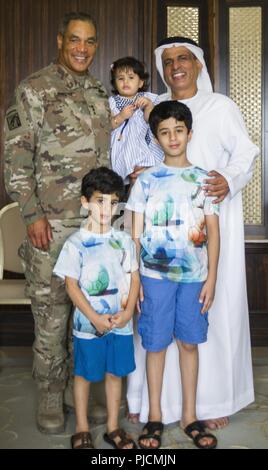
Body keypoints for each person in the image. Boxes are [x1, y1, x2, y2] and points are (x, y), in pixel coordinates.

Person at [127, 36, 259, 430]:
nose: (176, 66)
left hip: (210, 227)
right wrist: (140, 173)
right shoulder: (155, 109)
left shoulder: (221, 107)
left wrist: (229, 180)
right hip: (161, 239)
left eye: (184, 58)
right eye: (168, 62)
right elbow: (144, 157)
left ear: (199, 65)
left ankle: (212, 400)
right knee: (154, 321)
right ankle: (150, 403)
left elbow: (246, 154)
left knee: (206, 315)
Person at [4, 11, 110, 434]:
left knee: (89, 312)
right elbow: (16, 158)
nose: (82, 48)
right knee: (51, 316)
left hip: (95, 227)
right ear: (60, 41)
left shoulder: (101, 92)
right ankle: (50, 395)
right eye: (74, 40)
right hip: (50, 225)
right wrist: (31, 215)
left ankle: (81, 390)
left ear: (95, 46)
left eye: (89, 41)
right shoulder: (34, 89)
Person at [126, 100, 220, 449]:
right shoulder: (147, 181)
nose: (173, 137)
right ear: (156, 138)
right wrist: (134, 279)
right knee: (155, 344)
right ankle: (154, 416)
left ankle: (190, 415)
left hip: (194, 277)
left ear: (189, 133)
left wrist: (212, 277)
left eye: (179, 130)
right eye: (164, 132)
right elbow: (134, 234)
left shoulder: (204, 179)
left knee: (189, 343)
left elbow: (213, 230)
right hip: (154, 276)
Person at [53, 167, 140, 449]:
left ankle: (114, 427)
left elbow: (134, 277)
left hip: (120, 323)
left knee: (115, 374)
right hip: (89, 326)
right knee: (85, 374)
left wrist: (127, 314)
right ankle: (81, 428)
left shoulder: (124, 240)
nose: (107, 208)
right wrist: (93, 318)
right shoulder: (75, 244)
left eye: (113, 202)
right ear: (85, 202)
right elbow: (71, 286)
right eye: (100, 201)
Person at [109, 56, 163, 183]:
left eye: (131, 78)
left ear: (140, 82)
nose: (125, 82)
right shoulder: (112, 102)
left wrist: (149, 106)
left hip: (143, 144)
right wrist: (121, 116)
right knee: (130, 178)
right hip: (123, 146)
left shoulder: (149, 98)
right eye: (120, 78)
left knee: (144, 177)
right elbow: (109, 125)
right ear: (115, 83)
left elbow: (152, 122)